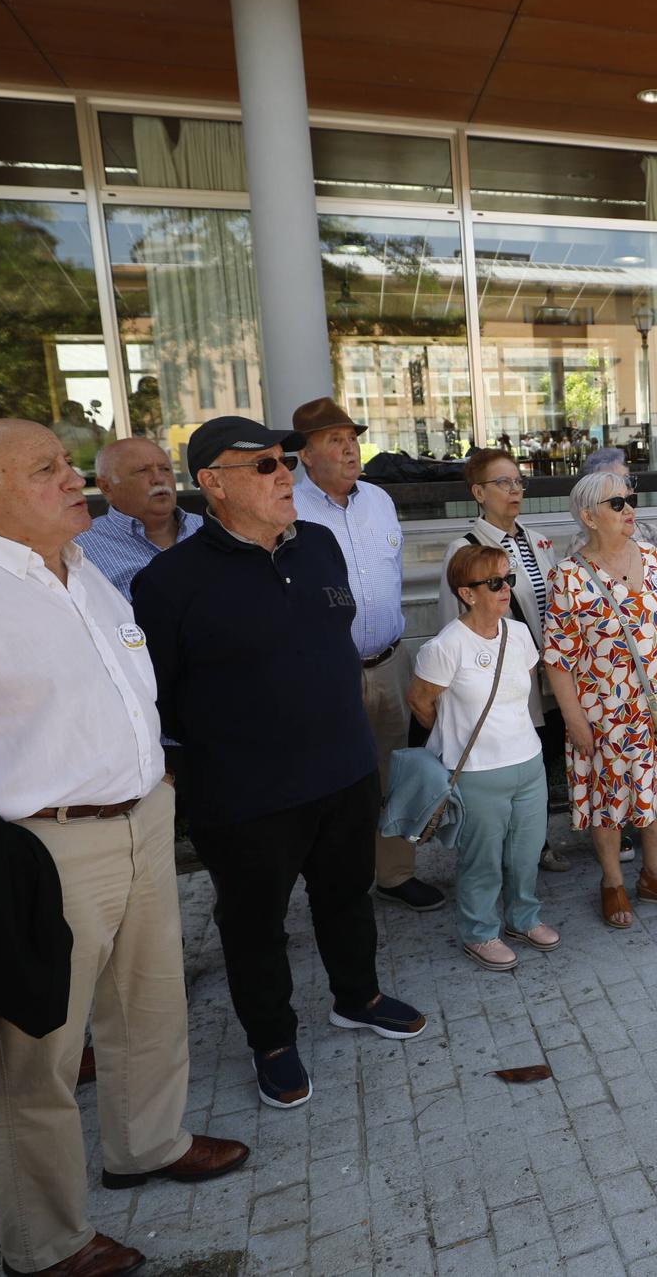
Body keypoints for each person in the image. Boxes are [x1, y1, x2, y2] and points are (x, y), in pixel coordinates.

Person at [0, 419, 246, 1277]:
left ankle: (147, 1142)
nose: (74, 479)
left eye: (67, 464)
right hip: (35, 854)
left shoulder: (87, 576)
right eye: (47, 469)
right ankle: (46, 1242)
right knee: (37, 1058)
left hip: (140, 824)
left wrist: (156, 792)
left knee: (149, 1006)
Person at [134, 416, 428, 1114]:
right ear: (213, 484)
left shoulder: (320, 546)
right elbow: (157, 693)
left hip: (344, 769)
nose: (284, 475)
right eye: (263, 466)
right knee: (254, 922)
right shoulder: (170, 581)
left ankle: (357, 997)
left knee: (347, 896)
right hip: (244, 792)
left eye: (282, 461)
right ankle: (271, 1039)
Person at [290, 395, 445, 913]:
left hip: (390, 660)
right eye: (335, 441)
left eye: (353, 438)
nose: (350, 449)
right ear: (306, 456)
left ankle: (396, 874)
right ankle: (340, 884)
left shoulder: (378, 499)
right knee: (337, 784)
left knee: (392, 773)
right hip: (331, 672)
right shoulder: (288, 508)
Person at [543, 471, 657, 927]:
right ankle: (612, 882)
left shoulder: (652, 558)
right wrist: (573, 718)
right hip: (602, 712)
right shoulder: (569, 577)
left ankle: (655, 876)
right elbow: (557, 657)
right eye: (617, 504)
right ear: (589, 516)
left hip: (655, 708)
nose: (629, 510)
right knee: (607, 797)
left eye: (630, 501)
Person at [408, 547, 558, 971]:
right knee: (482, 859)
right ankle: (479, 932)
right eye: (494, 583)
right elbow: (420, 702)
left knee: (525, 853)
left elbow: (520, 694)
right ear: (466, 593)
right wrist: (455, 731)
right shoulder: (444, 646)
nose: (506, 588)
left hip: (527, 761)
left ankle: (523, 919)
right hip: (475, 771)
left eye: (508, 579)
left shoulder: (519, 634)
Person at [441, 447, 572, 874]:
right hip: (501, 682)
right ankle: (506, 854)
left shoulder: (536, 540)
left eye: (519, 481)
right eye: (503, 483)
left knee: (542, 754)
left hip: (547, 675)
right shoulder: (465, 549)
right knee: (507, 763)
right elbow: (453, 625)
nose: (515, 490)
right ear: (478, 492)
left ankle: (533, 843)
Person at [76, 436, 203, 601]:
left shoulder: (206, 528)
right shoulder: (81, 548)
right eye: (143, 470)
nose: (159, 478)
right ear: (106, 486)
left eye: (165, 469)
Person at [584, 446, 657, 564]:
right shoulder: (583, 544)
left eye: (627, 480)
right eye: (613, 483)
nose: (625, 488)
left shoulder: (651, 534)